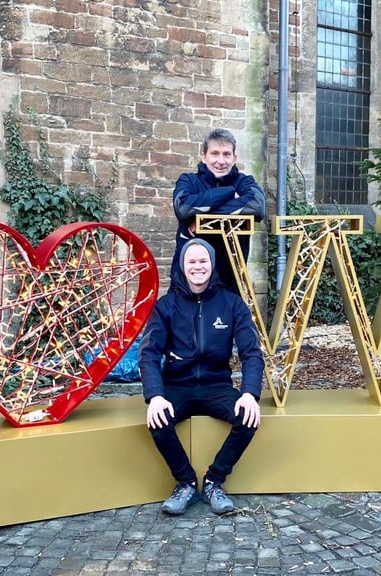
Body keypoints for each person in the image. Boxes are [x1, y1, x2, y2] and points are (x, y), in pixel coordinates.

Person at [140, 238, 264, 515]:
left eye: (203, 261)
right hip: (177, 385)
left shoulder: (231, 304)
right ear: (182, 266)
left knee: (248, 418)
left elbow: (252, 353)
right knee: (158, 421)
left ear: (212, 264)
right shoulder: (166, 306)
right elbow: (149, 353)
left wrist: (249, 393)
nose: (198, 267)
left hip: (216, 385)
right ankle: (185, 483)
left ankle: (213, 481)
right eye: (191, 262)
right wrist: (155, 396)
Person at [172, 128, 266, 295]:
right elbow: (183, 208)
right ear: (204, 156)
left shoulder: (244, 182)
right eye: (215, 154)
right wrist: (229, 192)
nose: (221, 161)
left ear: (234, 158)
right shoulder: (188, 181)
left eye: (226, 154)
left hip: (229, 283)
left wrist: (202, 219)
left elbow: (258, 206)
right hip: (188, 283)